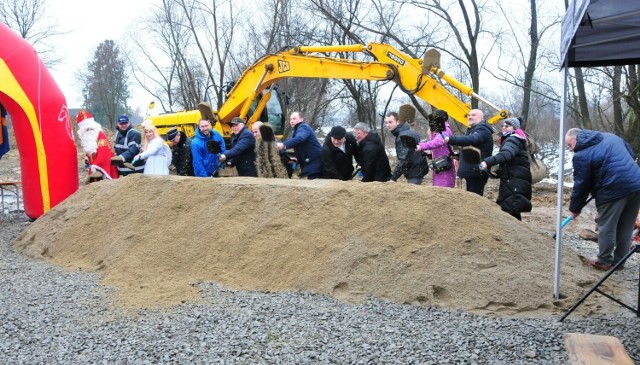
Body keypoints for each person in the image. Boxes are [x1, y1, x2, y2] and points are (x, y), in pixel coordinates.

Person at [565, 127, 640, 271]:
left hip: (612, 188)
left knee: (607, 225)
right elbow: (630, 154)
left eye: (570, 145)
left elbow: (581, 184)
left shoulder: (581, 154)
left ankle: (604, 260)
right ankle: (619, 262)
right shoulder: (611, 137)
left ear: (577, 138)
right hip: (636, 183)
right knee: (626, 225)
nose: (570, 149)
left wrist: (575, 209)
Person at [479, 118, 532, 220]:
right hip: (513, 180)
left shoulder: (512, 139)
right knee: (512, 212)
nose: (504, 128)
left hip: (514, 182)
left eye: (507, 126)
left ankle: (517, 235)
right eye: (503, 126)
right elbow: (511, 162)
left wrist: (487, 162)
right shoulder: (515, 139)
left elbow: (507, 154)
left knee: (511, 211)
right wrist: (497, 172)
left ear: (514, 128)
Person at [444, 109, 494, 195]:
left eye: (473, 115)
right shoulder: (473, 130)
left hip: (477, 171)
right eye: (469, 115)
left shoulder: (483, 130)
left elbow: (471, 140)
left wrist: (452, 139)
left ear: (482, 118)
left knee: (475, 201)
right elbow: (472, 148)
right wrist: (459, 155)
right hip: (472, 171)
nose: (470, 117)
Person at [385, 112, 429, 185]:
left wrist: (393, 178)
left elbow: (403, 159)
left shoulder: (403, 136)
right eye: (386, 122)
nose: (387, 125)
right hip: (417, 168)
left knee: (413, 194)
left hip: (415, 170)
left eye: (390, 122)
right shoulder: (407, 132)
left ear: (398, 121)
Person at [75, 110, 119, 182]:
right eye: (86, 129)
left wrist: (95, 165)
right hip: (94, 167)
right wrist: (87, 158)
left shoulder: (100, 135)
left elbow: (104, 154)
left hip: (104, 168)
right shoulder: (87, 138)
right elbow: (91, 149)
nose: (88, 130)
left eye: (90, 128)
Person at [416, 109, 456, 188]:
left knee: (443, 188)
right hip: (439, 162)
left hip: (444, 163)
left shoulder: (445, 129)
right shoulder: (438, 129)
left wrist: (421, 146)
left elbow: (437, 141)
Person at [276, 111, 322, 179]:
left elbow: (300, 138)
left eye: (294, 118)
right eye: (291, 119)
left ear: (302, 119)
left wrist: (283, 145)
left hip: (314, 163)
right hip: (310, 163)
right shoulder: (298, 130)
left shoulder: (303, 127)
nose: (291, 121)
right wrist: (297, 159)